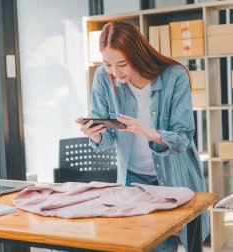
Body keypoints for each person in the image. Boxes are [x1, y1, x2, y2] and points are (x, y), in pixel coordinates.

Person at [76, 21, 208, 252]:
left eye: (122, 64)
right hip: (133, 179)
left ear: (138, 55)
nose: (115, 73)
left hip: (174, 176)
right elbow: (107, 139)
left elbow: (183, 137)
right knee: (143, 245)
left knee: (187, 239)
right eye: (108, 64)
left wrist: (151, 134)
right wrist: (95, 135)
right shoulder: (103, 78)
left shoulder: (174, 76)